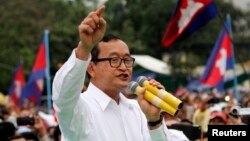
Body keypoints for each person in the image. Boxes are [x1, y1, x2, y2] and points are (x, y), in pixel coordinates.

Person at [52, 5, 172, 141]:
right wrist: (84, 48)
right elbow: (63, 95)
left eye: (127, 59)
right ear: (91, 68)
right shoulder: (80, 109)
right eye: (114, 59)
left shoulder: (138, 109)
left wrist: (154, 121)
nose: (123, 67)